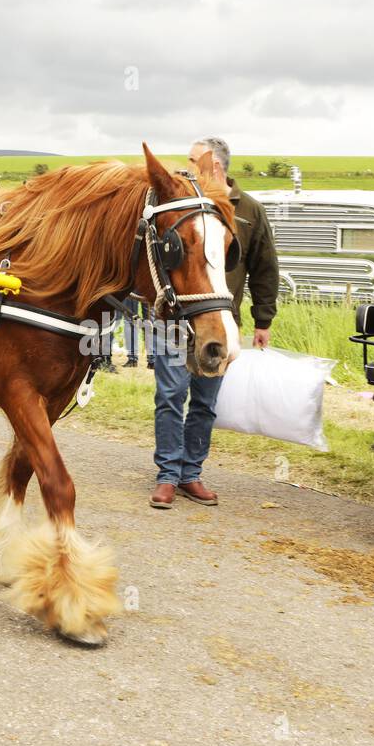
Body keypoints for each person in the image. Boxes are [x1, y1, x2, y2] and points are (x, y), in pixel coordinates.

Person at [148, 136, 278, 509]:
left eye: (192, 160)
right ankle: (168, 475)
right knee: (170, 396)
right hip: (174, 319)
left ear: (215, 168)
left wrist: (262, 319)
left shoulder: (249, 210)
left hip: (218, 324)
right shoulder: (179, 203)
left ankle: (191, 473)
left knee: (205, 402)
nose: (184, 166)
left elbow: (265, 267)